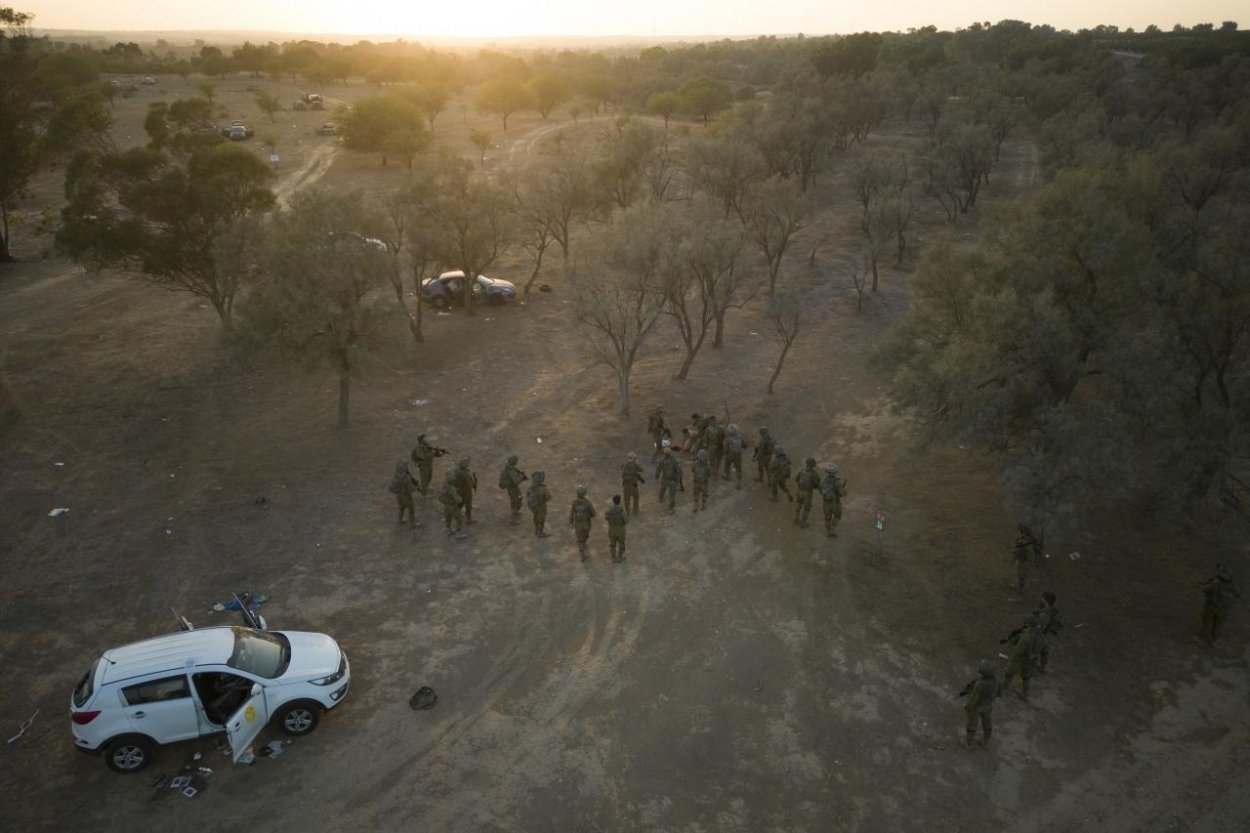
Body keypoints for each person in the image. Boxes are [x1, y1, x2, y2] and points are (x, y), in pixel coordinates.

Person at [1003, 614, 1042, 700]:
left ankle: (1005, 687)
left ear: (1028, 625)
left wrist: (1013, 645)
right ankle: (1025, 693)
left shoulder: (1025, 637)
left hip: (1021, 659)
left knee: (1009, 672)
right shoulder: (1038, 635)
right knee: (1026, 676)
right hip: (1032, 659)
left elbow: (1018, 651)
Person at [1198, 566, 1240, 644]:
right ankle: (1214, 640)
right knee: (1217, 625)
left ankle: (1202, 638)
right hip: (1223, 609)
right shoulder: (1233, 586)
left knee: (1207, 623)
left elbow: (1203, 589)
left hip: (1211, 606)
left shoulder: (1216, 583)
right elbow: (1237, 595)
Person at [963, 660, 999, 749]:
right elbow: (999, 693)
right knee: (987, 723)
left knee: (972, 723)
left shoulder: (980, 684)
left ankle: (969, 742)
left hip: (977, 707)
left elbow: (974, 699)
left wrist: (968, 706)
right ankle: (986, 742)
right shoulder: (995, 681)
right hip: (988, 706)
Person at [1035, 591, 1063, 673]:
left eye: (1042, 598)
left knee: (1037, 650)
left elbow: (1042, 622)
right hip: (1046, 633)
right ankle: (1042, 667)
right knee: (1044, 651)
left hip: (1043, 633)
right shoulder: (1051, 609)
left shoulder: (1047, 611)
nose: (1041, 599)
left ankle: (1037, 667)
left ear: (1045, 600)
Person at [387, 461, 420, 528]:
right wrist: (416, 487)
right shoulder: (406, 477)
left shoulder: (397, 476)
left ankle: (400, 520)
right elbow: (411, 489)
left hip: (399, 495)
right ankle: (412, 524)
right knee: (411, 509)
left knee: (401, 507)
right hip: (406, 496)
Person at [569, 485, 597, 561]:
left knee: (579, 538)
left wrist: (571, 521)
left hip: (578, 524)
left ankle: (582, 548)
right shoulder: (588, 503)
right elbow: (594, 514)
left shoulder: (574, 503)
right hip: (586, 524)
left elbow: (572, 513)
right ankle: (583, 549)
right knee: (584, 537)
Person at [498, 454, 528, 524]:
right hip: (512, 487)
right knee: (517, 499)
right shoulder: (510, 469)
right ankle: (513, 518)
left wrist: (520, 474)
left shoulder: (508, 466)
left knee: (515, 499)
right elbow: (516, 481)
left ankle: (515, 513)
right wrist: (522, 477)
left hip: (511, 486)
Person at [820, 462, 846, 537]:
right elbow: (842, 493)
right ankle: (832, 529)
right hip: (835, 503)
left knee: (827, 518)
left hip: (826, 503)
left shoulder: (823, 481)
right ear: (835, 472)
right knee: (837, 516)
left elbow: (820, 489)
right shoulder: (837, 482)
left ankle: (828, 531)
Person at [437, 471, 466, 539]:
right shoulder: (452, 489)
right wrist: (461, 499)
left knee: (448, 519)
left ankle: (448, 530)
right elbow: (457, 499)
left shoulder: (445, 485)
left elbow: (440, 496)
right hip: (453, 507)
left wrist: (446, 502)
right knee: (459, 519)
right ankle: (458, 533)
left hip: (446, 506)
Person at [655, 445, 684, 513]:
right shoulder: (674, 461)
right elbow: (679, 471)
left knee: (663, 489)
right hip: (673, 480)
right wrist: (679, 478)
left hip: (665, 479)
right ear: (671, 453)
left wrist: (657, 476)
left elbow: (658, 470)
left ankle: (660, 498)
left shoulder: (662, 461)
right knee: (672, 494)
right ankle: (671, 508)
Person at [794, 457, 821, 527]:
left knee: (799, 503)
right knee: (806, 508)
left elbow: (796, 479)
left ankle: (796, 518)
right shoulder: (814, 474)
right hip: (808, 493)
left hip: (799, 491)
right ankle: (803, 522)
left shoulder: (802, 471)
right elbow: (818, 484)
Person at [526, 470, 552, 537]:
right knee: (541, 520)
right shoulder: (543, 489)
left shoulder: (530, 488)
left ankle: (537, 530)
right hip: (541, 507)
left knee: (536, 518)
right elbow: (548, 498)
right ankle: (539, 532)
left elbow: (528, 497)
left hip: (533, 507)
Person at [454, 456, 479, 525]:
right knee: (468, 506)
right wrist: (474, 482)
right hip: (466, 492)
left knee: (460, 503)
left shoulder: (457, 471)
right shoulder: (464, 474)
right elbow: (469, 484)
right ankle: (469, 519)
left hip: (459, 490)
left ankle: (456, 514)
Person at [621, 452, 646, 516]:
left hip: (626, 485)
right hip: (634, 485)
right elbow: (641, 469)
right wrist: (637, 463)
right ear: (634, 459)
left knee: (626, 500)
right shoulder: (635, 465)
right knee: (636, 498)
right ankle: (635, 512)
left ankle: (627, 512)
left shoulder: (623, 464)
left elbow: (621, 468)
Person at [1013, 524, 1035, 594]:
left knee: (1022, 577)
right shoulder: (1022, 540)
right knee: (1018, 575)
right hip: (1021, 561)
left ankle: (1020, 591)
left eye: (1020, 532)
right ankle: (1018, 586)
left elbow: (1030, 556)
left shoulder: (1027, 543)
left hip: (1024, 563)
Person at [605, 494, 628, 563]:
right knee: (621, 544)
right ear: (619, 501)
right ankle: (620, 557)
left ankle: (613, 557)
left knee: (612, 544)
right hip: (620, 530)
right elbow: (626, 521)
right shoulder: (622, 510)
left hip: (612, 529)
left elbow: (606, 517)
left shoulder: (610, 509)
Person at [723, 423, 745, 488]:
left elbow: (725, 449)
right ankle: (738, 483)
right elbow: (745, 446)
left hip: (730, 455)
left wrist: (724, 454)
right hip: (738, 455)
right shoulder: (740, 438)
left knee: (727, 465)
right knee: (738, 469)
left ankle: (727, 476)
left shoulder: (728, 439)